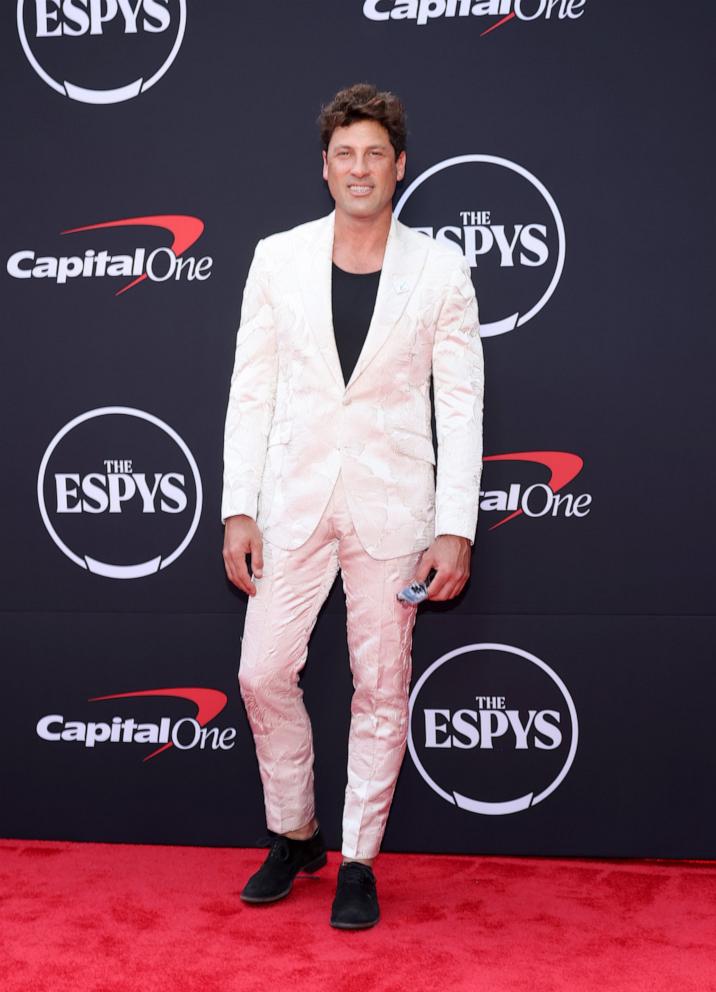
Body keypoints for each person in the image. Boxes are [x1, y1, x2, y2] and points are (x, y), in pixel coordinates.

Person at [221, 83, 484, 930]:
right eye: (345, 154)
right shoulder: (276, 258)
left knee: (380, 682)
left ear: (399, 166)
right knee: (261, 671)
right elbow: (250, 391)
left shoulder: (440, 268)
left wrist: (455, 526)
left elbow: (462, 401)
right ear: (325, 169)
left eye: (375, 153)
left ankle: (360, 858)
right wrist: (237, 506)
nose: (360, 168)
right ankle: (296, 832)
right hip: (292, 500)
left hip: (394, 506)